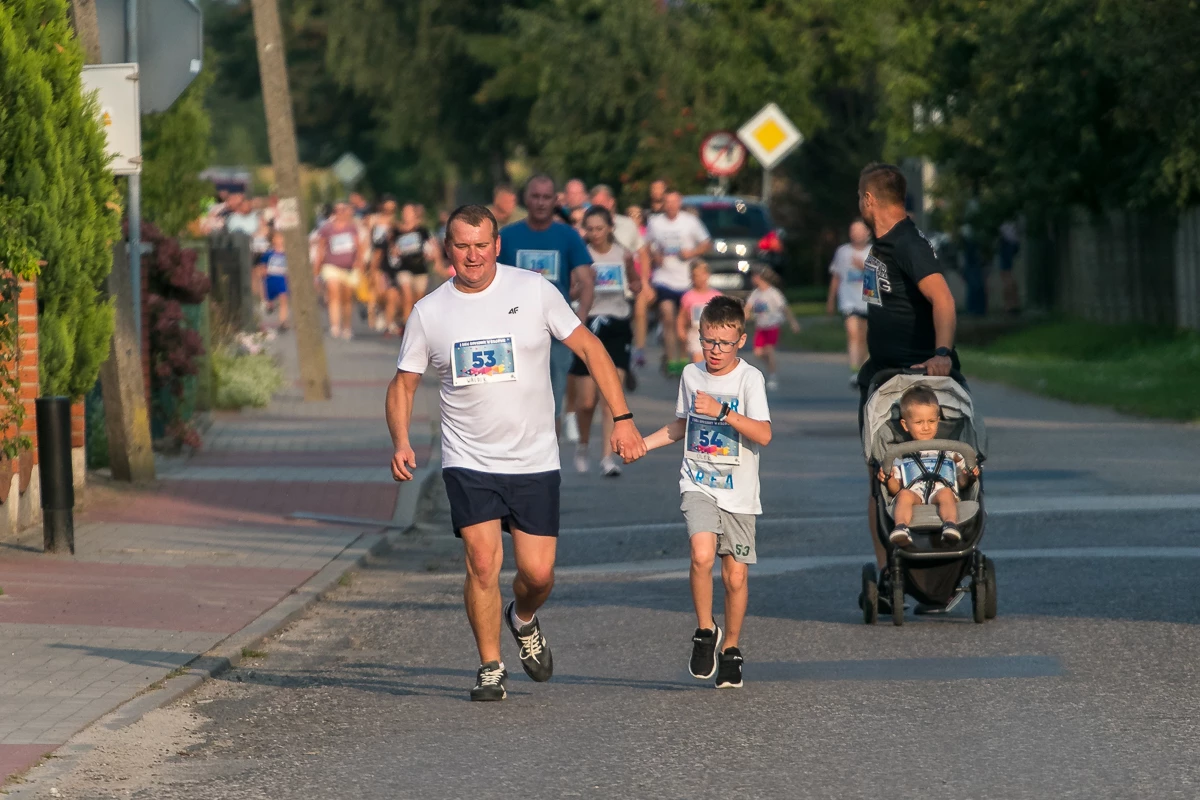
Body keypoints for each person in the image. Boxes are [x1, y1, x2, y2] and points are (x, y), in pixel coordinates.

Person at [386, 204, 647, 702]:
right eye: (462, 245)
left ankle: (522, 618)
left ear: (497, 246)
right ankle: (490, 666)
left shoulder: (533, 292)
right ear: (447, 249)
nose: (473, 255)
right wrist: (401, 440)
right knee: (482, 563)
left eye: (482, 244)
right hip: (468, 459)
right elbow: (403, 385)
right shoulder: (430, 312)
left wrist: (623, 417)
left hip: (532, 460)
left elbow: (592, 350)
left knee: (538, 574)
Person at [643, 296, 772, 690]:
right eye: (707, 341)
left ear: (741, 341)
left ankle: (730, 646)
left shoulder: (749, 379)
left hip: (740, 493)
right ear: (698, 337)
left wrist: (722, 412)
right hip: (698, 482)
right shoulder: (691, 375)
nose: (714, 351)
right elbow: (681, 425)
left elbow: (763, 434)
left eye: (724, 343)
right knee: (701, 554)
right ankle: (704, 631)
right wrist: (641, 446)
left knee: (734, 577)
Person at [856, 162, 960, 576]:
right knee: (879, 474)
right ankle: (888, 573)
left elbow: (945, 300)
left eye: (859, 197)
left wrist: (942, 352)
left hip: (914, 378)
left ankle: (938, 565)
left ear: (869, 199)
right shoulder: (882, 244)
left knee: (934, 468)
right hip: (881, 375)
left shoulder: (908, 244)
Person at [498, 175, 595, 438]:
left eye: (546, 197)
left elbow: (587, 281)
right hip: (514, 331)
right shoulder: (507, 237)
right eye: (535, 196)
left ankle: (547, 467)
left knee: (552, 402)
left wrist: (579, 322)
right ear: (525, 199)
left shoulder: (567, 237)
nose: (541, 203)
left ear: (555, 200)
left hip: (555, 333)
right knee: (514, 401)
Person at [570, 207, 642, 477]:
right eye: (589, 228)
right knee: (586, 401)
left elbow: (636, 284)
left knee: (610, 397)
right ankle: (582, 445)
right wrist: (582, 287)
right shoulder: (580, 254)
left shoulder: (623, 254)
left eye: (599, 228)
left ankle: (607, 457)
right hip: (587, 324)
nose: (595, 233)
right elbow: (571, 288)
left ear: (610, 227)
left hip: (617, 323)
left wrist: (634, 285)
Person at [878, 386, 978, 547]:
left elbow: (962, 482)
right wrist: (888, 477)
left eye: (931, 421)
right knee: (903, 495)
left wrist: (969, 475)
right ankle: (901, 528)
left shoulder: (950, 451)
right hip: (914, 492)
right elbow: (894, 490)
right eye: (919, 422)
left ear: (938, 420)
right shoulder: (901, 454)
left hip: (941, 489)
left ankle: (950, 525)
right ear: (905, 425)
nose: (926, 427)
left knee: (946, 494)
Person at [646, 189, 711, 369]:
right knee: (667, 315)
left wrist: (692, 252)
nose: (671, 206)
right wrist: (654, 256)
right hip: (664, 278)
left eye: (674, 202)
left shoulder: (690, 222)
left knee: (685, 322)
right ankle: (672, 358)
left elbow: (707, 243)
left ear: (680, 203)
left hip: (686, 280)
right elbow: (646, 246)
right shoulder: (655, 223)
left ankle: (682, 356)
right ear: (663, 204)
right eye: (667, 202)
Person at [591, 185, 652, 378]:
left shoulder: (627, 224)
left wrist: (644, 281)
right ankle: (618, 367)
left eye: (602, 203)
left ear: (611, 202)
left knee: (626, 326)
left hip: (624, 290)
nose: (599, 207)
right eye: (595, 204)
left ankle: (630, 358)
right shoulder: (587, 227)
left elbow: (642, 252)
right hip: (596, 298)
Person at [378, 203, 443, 335]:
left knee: (418, 299)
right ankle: (408, 327)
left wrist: (435, 260)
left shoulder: (422, 231)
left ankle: (416, 324)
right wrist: (393, 251)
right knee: (407, 295)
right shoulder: (396, 231)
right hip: (403, 267)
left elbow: (433, 246)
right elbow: (390, 248)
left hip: (420, 268)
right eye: (404, 212)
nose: (407, 215)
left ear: (415, 214)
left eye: (409, 212)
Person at [826, 219, 872, 386]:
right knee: (853, 334)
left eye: (860, 231)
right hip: (848, 301)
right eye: (853, 231)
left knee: (865, 338)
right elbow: (836, 277)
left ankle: (864, 368)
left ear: (867, 233)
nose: (856, 234)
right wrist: (831, 300)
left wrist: (864, 268)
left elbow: (880, 280)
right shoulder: (842, 252)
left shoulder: (874, 252)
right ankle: (854, 371)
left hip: (868, 301)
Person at [313, 200, 365, 339]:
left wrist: (359, 262)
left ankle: (347, 326)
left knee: (347, 297)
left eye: (343, 210)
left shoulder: (352, 228)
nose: (341, 213)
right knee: (333, 292)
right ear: (334, 213)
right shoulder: (327, 229)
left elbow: (358, 246)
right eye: (338, 210)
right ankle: (335, 325)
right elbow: (321, 249)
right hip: (332, 267)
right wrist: (316, 270)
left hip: (349, 268)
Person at [746, 267, 800, 390]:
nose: (753, 279)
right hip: (761, 327)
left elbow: (784, 309)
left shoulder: (773, 293)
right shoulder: (755, 293)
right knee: (758, 353)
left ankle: (772, 375)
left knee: (769, 350)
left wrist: (793, 323)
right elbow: (748, 308)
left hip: (773, 326)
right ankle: (771, 365)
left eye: (755, 276)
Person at [677, 261, 722, 364]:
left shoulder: (716, 296)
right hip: (695, 333)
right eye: (696, 276)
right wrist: (681, 330)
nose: (700, 279)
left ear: (707, 275)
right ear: (691, 278)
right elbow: (682, 316)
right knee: (697, 359)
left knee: (712, 359)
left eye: (702, 275)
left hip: (714, 334)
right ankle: (699, 378)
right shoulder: (688, 296)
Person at [259, 230, 290, 331]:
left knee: (283, 299)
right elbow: (263, 266)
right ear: (272, 240)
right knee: (270, 298)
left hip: (282, 279)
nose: (280, 240)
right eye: (277, 238)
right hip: (271, 279)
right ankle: (270, 304)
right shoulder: (269, 253)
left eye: (281, 237)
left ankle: (283, 322)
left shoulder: (287, 253)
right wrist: (264, 272)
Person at [997, 220, 1021, 314]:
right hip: (1011, 241)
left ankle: (1010, 305)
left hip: (1006, 241)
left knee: (1006, 275)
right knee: (1008, 275)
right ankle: (1013, 303)